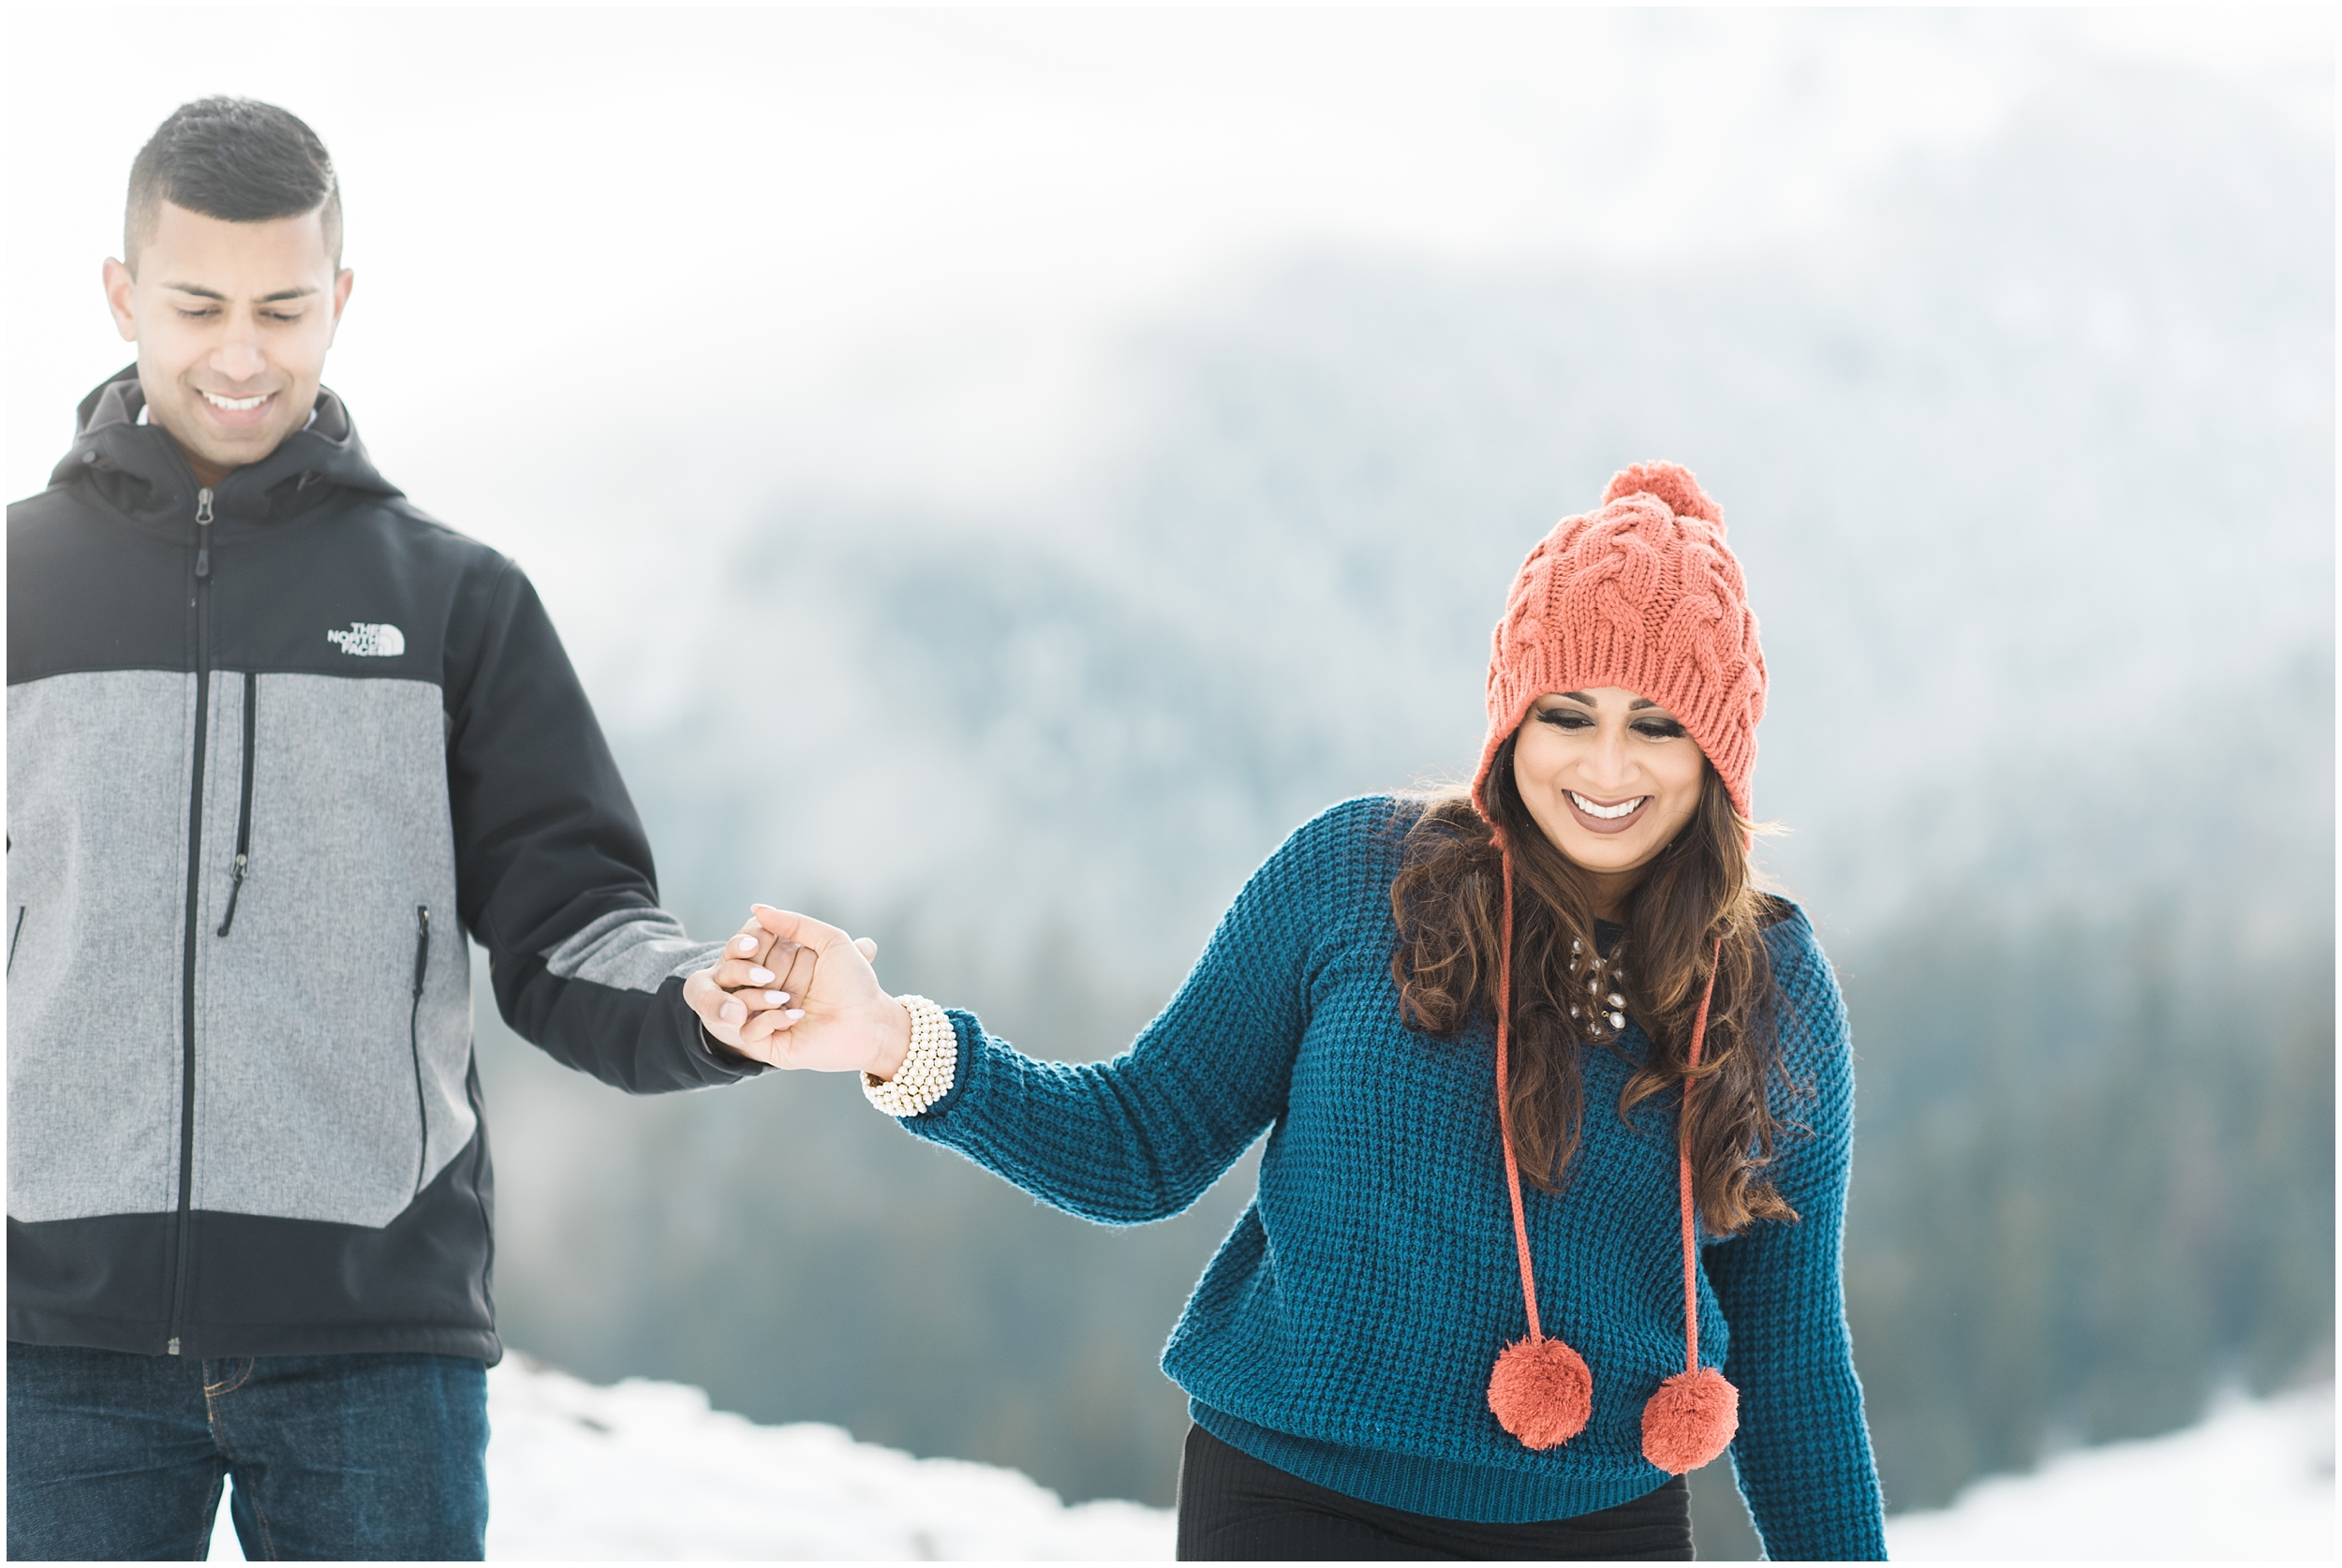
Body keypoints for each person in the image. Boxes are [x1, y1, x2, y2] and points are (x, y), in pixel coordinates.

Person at [710, 462, 1889, 1560]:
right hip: (1290, 1509)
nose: (1605, 768)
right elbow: (1143, 1143)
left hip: (1600, 1529)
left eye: (1656, 726)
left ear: (1718, 752)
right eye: (1565, 714)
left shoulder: (1771, 986)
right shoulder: (1356, 879)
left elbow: (1790, 1363)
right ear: (1509, 720)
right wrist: (890, 1041)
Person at [6, 96, 792, 1561]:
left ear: (341, 300)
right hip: (51, 1347)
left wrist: (701, 1002)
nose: (243, 354)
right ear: (121, 294)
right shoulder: (14, 592)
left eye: (285, 309)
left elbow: (574, 921)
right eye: (197, 305)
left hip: (375, 1348)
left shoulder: (453, 602)